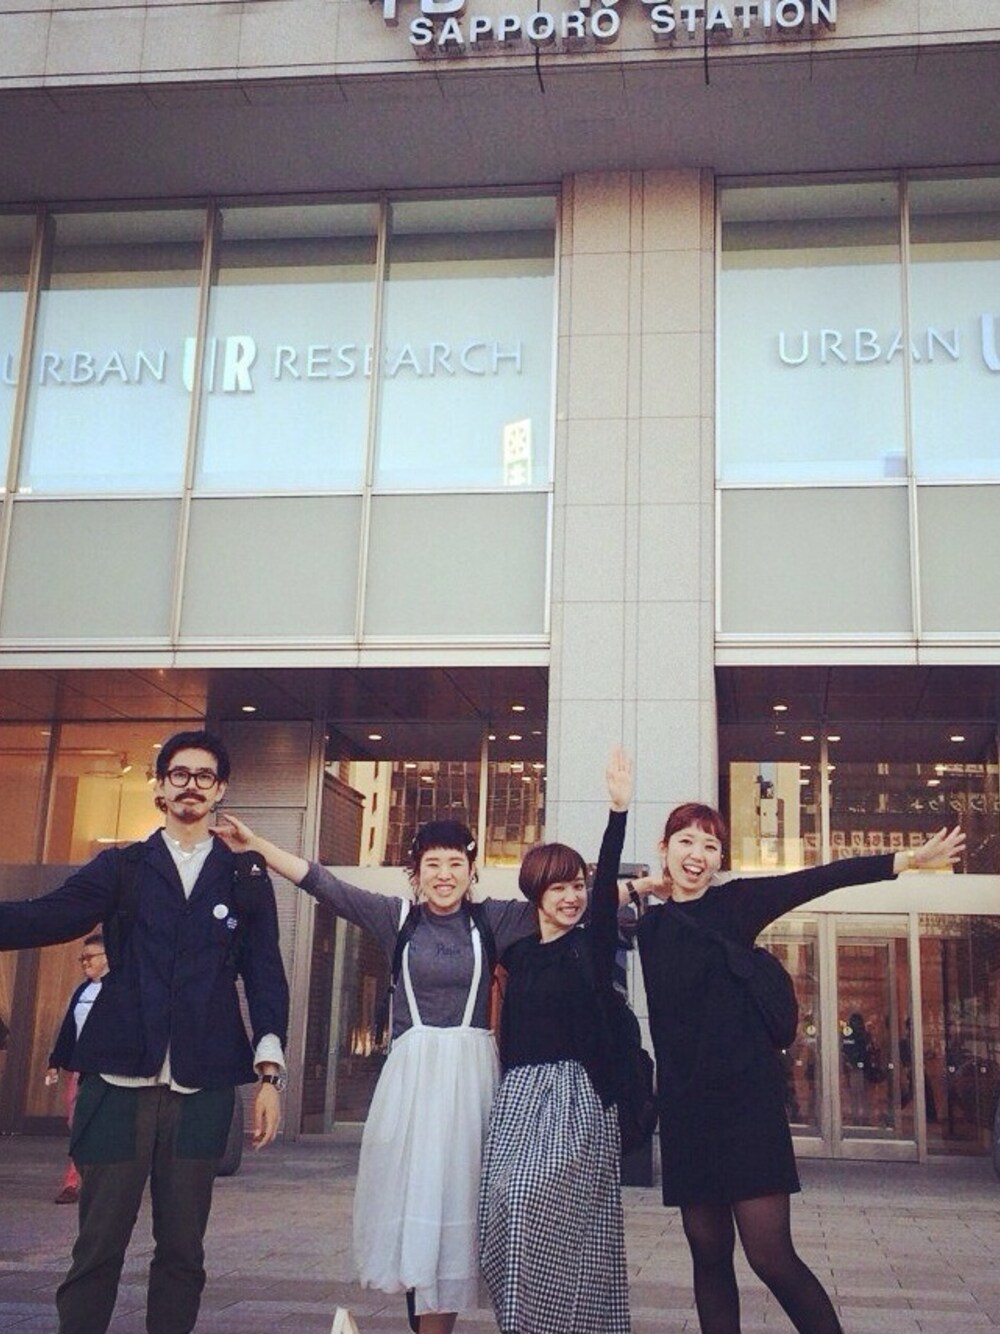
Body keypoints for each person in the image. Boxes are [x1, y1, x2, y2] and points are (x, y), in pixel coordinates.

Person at [632, 806, 964, 1334]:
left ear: (720, 858)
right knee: (708, 1256)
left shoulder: (737, 902)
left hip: (747, 1107)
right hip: (687, 1110)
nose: (697, 855)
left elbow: (821, 878)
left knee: (770, 1256)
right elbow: (585, 913)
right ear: (665, 847)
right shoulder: (650, 926)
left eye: (710, 846)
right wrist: (640, 885)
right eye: (686, 842)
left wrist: (907, 860)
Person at [0, 729, 290, 1334]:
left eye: (204, 776)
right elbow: (48, 915)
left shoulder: (244, 875)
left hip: (202, 1088)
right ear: (160, 786)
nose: (191, 785)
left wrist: (269, 1074)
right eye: (179, 774)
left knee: (183, 1251)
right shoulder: (123, 867)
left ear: (220, 790)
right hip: (117, 1083)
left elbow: (266, 972)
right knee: (97, 1246)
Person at [212, 810, 539, 1334]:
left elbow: (568, 902)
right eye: (433, 864)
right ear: (416, 871)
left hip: (471, 1078)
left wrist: (643, 886)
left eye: (455, 864)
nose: (445, 875)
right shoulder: (397, 918)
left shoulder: (492, 921)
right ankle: (422, 1312)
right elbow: (325, 885)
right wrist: (258, 847)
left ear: (471, 870)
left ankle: (437, 1321)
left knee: (459, 1198)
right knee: (416, 1195)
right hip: (413, 1079)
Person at [478, 747, 633, 1334]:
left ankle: (577, 1323)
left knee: (539, 1207)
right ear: (536, 892)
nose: (572, 896)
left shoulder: (590, 946)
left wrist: (617, 813)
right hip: (518, 1099)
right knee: (502, 1212)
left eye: (579, 886)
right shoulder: (515, 954)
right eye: (560, 887)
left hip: (577, 1098)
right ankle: (526, 1323)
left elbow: (609, 882)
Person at [45, 931, 109, 1204]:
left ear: (107, 957)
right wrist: (55, 1062)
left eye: (89, 957)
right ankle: (74, 1181)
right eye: (81, 958)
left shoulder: (118, 990)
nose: (84, 963)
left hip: (107, 1071)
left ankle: (92, 1183)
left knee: (103, 1126)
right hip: (80, 1069)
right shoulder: (81, 991)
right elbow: (69, 1029)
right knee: (77, 1123)